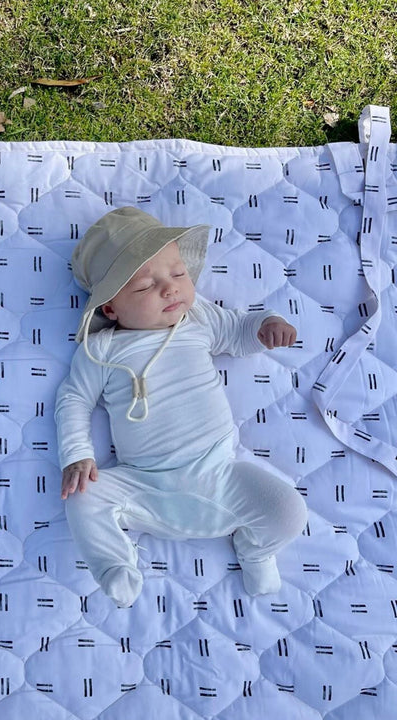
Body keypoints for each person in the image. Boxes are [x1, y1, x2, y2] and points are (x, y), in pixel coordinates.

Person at [55, 206, 308, 607]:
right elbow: (73, 399)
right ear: (110, 309)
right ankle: (116, 565)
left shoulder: (196, 320)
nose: (170, 289)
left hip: (218, 474)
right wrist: (77, 454)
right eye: (145, 286)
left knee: (290, 511)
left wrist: (266, 326)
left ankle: (256, 549)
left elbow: (239, 331)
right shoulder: (100, 349)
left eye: (177, 274)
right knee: (82, 495)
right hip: (144, 483)